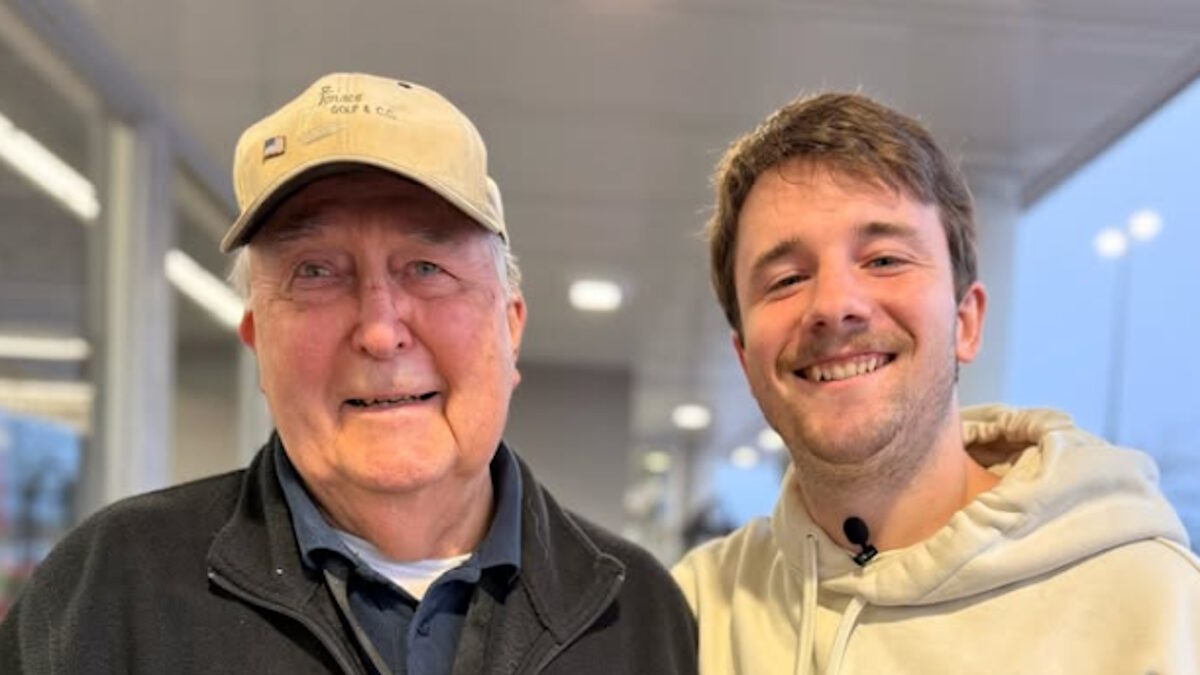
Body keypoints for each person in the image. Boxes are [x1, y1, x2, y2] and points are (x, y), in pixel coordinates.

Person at [0, 72, 697, 675]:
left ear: (510, 326)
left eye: (426, 267)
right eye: (315, 272)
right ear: (257, 340)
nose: (379, 331)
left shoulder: (636, 614)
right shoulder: (108, 593)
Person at [671, 91, 1200, 673]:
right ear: (746, 361)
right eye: (787, 279)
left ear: (966, 322)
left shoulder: (1153, 608)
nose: (833, 305)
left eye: (884, 260)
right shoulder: (694, 614)